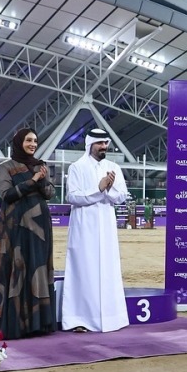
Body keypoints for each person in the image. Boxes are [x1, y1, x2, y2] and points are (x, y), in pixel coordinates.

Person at [0, 127, 57, 339]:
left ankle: (39, 324)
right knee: (17, 269)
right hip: (15, 228)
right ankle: (17, 325)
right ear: (18, 142)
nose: (33, 144)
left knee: (38, 268)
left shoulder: (41, 165)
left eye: (35, 140)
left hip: (40, 228)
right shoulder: (6, 167)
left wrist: (42, 179)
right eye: (28, 140)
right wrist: (32, 180)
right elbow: (6, 195)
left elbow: (50, 193)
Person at [59, 129, 130, 333]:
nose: (104, 147)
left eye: (105, 143)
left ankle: (112, 318)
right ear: (90, 144)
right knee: (83, 269)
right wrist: (98, 189)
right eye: (100, 143)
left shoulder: (113, 167)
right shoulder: (76, 167)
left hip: (107, 227)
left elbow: (122, 196)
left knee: (108, 269)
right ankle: (79, 319)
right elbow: (72, 197)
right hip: (84, 228)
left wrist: (109, 189)